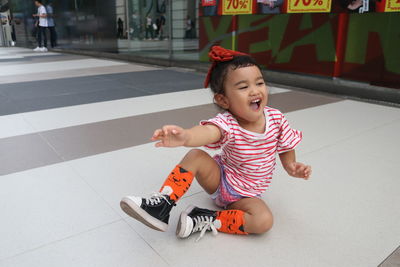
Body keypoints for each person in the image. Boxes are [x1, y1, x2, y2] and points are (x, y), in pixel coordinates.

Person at [120, 46, 312, 241]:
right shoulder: (228, 123)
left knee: (264, 221)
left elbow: (286, 145)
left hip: (248, 195)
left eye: (259, 83)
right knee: (195, 155)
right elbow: (207, 132)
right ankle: (162, 205)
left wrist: (291, 166)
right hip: (220, 180)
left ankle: (203, 217)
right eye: (243, 87)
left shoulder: (276, 118)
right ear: (223, 100)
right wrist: (185, 136)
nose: (255, 91)